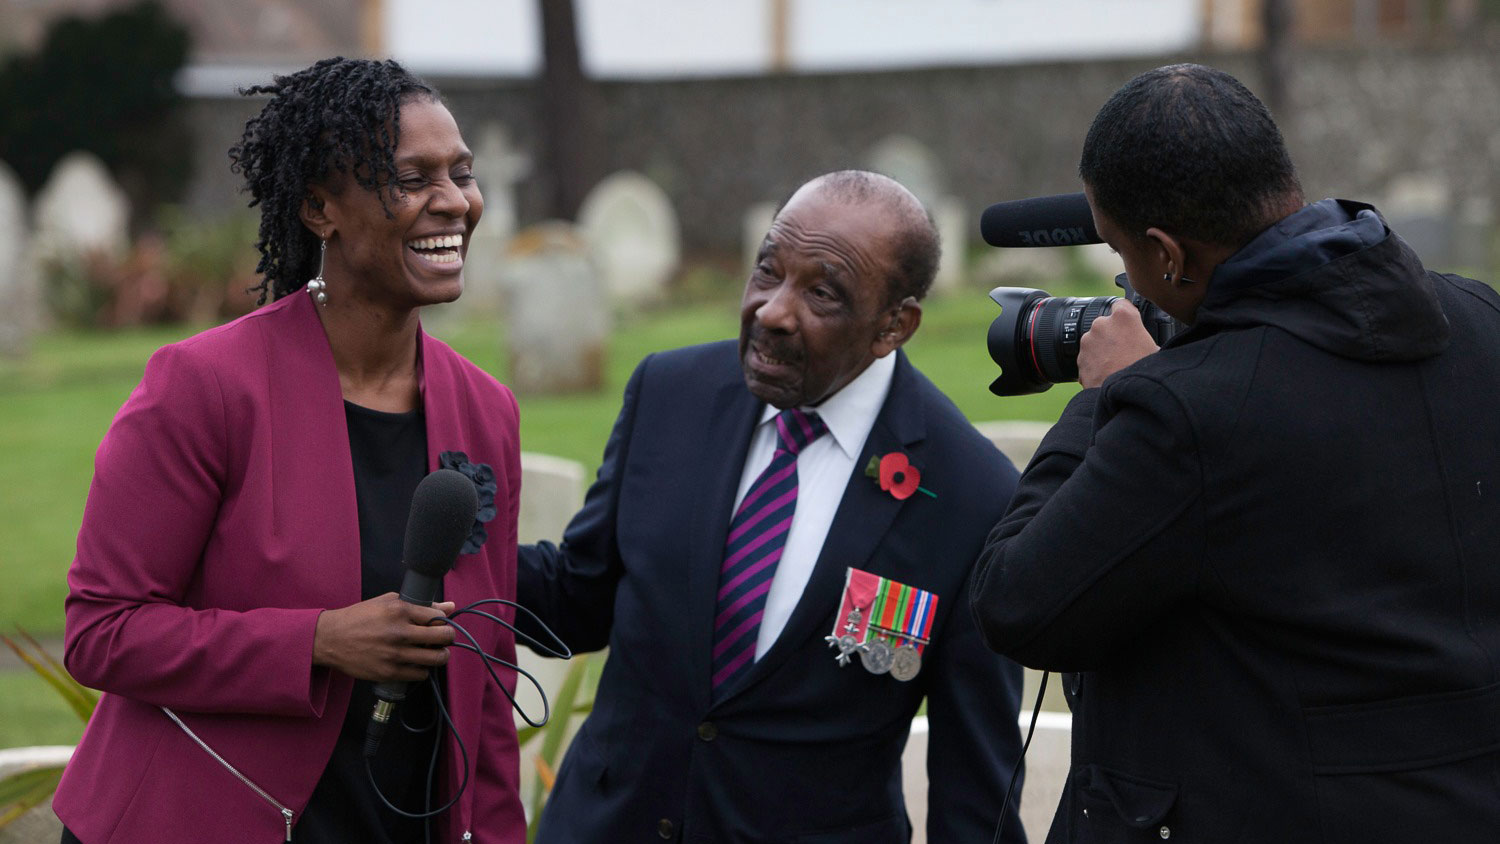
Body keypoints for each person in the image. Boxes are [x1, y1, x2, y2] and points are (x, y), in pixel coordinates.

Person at [971, 63, 1500, 844]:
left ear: (1166, 255)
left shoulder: (1187, 412)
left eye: (1123, 254)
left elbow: (1015, 600)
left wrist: (1107, 395)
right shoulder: (1480, 321)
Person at [54, 58, 526, 843]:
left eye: (461, 172)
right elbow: (102, 630)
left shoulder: (486, 411)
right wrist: (318, 642)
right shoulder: (205, 387)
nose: (454, 201)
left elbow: (491, 672)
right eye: (410, 178)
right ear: (319, 210)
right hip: (201, 820)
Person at [516, 170, 1028, 843]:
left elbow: (974, 790)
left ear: (893, 326)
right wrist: (430, 545)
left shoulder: (968, 494)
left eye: (822, 292)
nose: (772, 310)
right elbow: (583, 596)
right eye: (768, 270)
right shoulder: (671, 394)